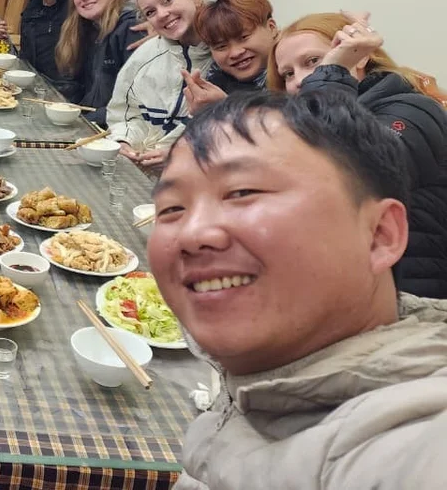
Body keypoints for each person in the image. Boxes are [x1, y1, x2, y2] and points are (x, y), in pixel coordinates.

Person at [149, 89, 447, 489]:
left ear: (379, 235)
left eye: (242, 192)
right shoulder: (263, 388)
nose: (193, 233)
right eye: (172, 209)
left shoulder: (411, 444)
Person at [269, 12, 447, 298]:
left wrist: (332, 72)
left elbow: (353, 174)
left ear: (360, 57)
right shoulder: (310, 121)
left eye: (313, 61)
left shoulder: (412, 109)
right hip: (356, 292)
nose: (299, 80)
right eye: (288, 73)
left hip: (411, 304)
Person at [107, 0, 213, 169]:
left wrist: (181, 156)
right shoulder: (146, 56)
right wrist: (123, 141)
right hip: (145, 175)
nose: (162, 14)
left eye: (169, 0)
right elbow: (126, 115)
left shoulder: (225, 55)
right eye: (150, 12)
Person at [54, 0, 145, 125]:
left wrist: (82, 122)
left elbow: (136, 102)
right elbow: (73, 83)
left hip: (116, 129)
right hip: (92, 120)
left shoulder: (131, 28)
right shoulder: (86, 26)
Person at [183, 0, 276, 112]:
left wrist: (225, 110)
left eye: (243, 37)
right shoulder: (214, 82)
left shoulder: (297, 73)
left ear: (271, 28)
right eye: (221, 46)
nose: (235, 53)